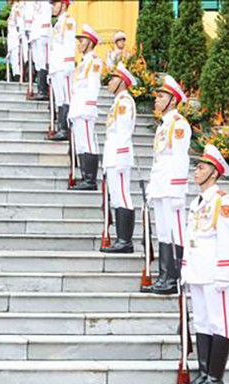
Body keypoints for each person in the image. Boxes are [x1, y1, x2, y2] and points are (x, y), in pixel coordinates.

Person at [181, 144, 229, 384]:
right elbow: (192, 238)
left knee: (220, 323)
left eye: (201, 167)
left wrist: (225, 272)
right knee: (201, 321)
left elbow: (227, 239)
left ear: (214, 172)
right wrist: (185, 268)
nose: (196, 171)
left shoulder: (223, 201)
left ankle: (215, 377)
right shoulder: (196, 203)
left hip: (215, 273)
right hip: (198, 271)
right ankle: (203, 374)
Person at [143, 75, 191, 295]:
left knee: (175, 233)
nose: (157, 100)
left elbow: (180, 159)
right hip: (161, 186)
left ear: (173, 100)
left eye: (161, 96)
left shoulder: (179, 125)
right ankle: (164, 276)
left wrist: (177, 190)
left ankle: (174, 278)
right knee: (163, 232)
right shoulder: (164, 126)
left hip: (172, 189)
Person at [100, 63, 137, 254]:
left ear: (122, 81)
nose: (109, 82)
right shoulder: (118, 102)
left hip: (119, 157)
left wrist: (120, 159)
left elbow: (123, 132)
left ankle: (125, 241)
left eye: (113, 79)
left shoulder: (124, 102)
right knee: (116, 196)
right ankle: (121, 239)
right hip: (113, 156)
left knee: (122, 196)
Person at [68, 25, 103, 191]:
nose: (79, 44)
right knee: (81, 144)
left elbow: (93, 86)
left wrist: (89, 107)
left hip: (85, 109)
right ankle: (85, 177)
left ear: (90, 42)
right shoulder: (83, 63)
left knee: (88, 143)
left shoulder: (94, 61)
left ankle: (91, 180)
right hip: (77, 109)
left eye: (81, 41)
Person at [47, 0, 76, 141]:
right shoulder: (58, 22)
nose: (53, 7)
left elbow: (70, 43)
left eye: (55, 4)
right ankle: (61, 128)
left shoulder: (68, 21)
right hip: (56, 67)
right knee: (59, 99)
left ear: (63, 5)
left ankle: (65, 129)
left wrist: (68, 65)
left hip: (64, 67)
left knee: (65, 98)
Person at [28, 0, 52, 100]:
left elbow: (47, 16)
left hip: (43, 34)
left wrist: (44, 32)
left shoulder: (47, 3)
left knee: (43, 62)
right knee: (38, 62)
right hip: (35, 34)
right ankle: (40, 89)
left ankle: (43, 90)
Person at [6, 0, 23, 81]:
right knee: (14, 60)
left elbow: (19, 22)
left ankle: (17, 76)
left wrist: (20, 35)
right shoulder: (14, 7)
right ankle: (16, 75)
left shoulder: (17, 7)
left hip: (16, 38)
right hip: (12, 38)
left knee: (16, 60)